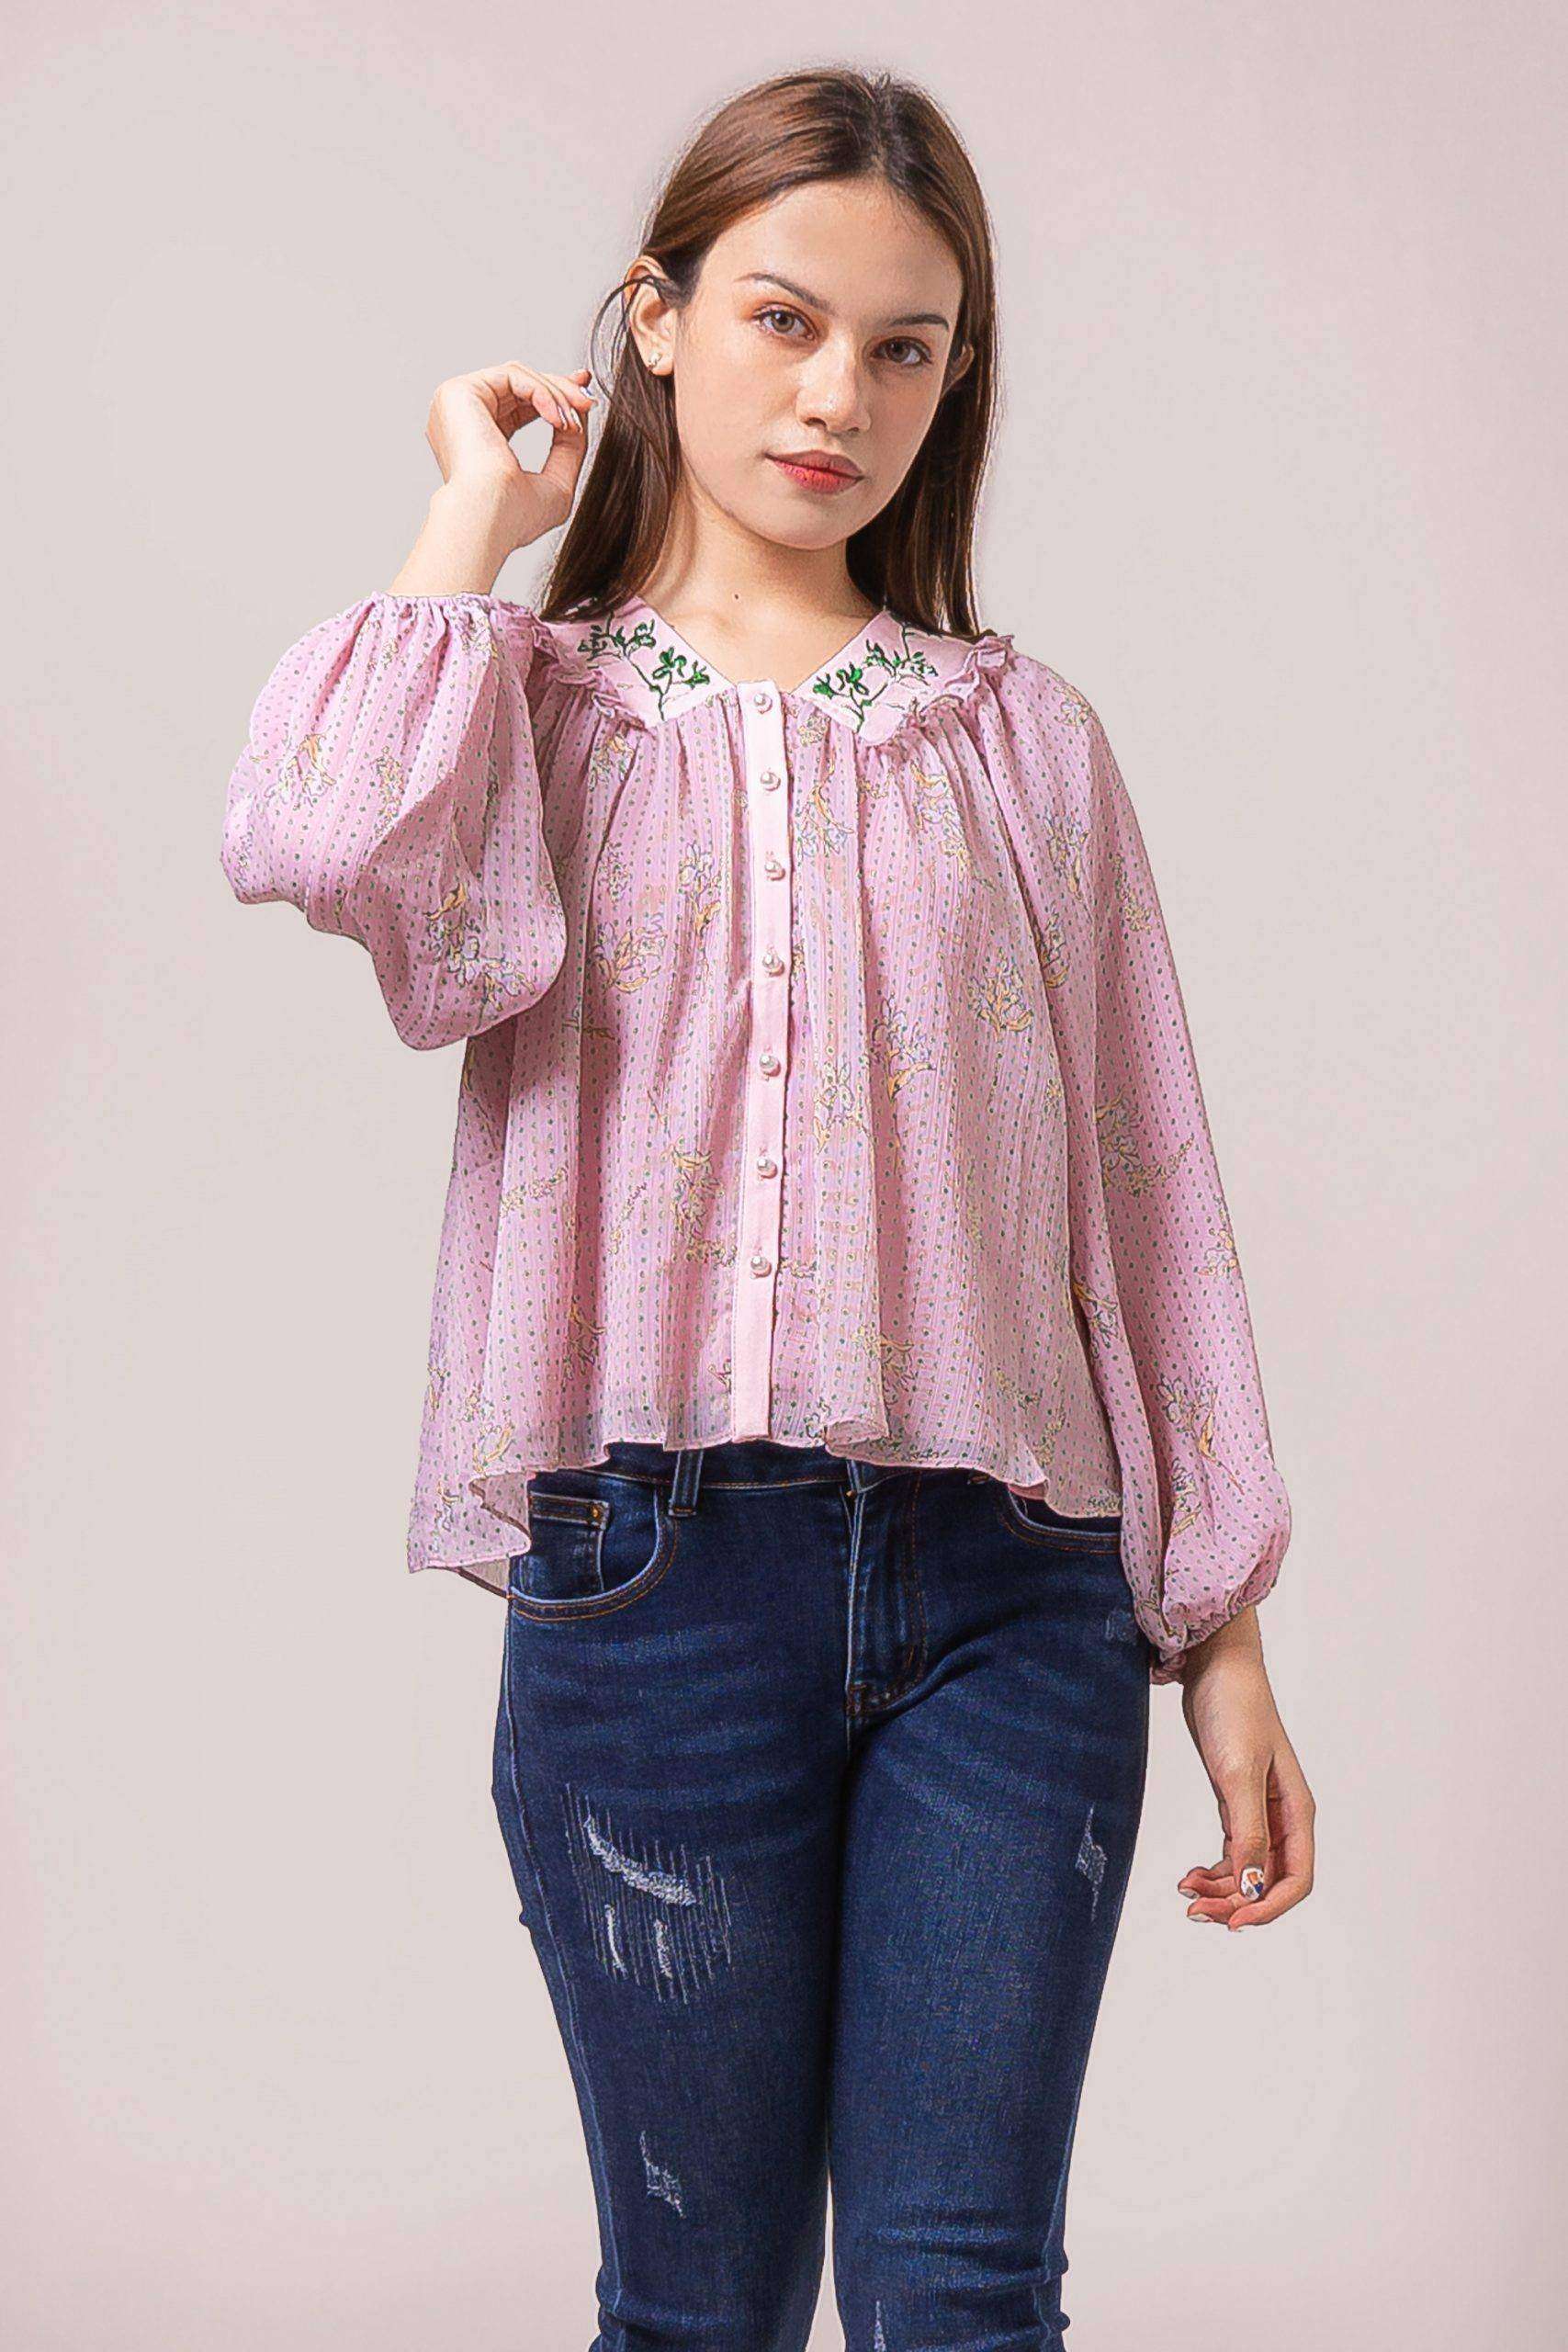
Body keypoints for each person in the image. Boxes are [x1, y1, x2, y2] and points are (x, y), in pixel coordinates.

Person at [220, 63, 1315, 2352]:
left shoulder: (1017, 741)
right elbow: (312, 829)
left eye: (905, 348)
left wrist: (1217, 1641)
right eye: (783, 320)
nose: (839, 397)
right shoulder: (524, 714)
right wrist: (473, 512)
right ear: (654, 316)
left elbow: (1146, 1193)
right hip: (651, 1590)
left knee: (961, 2297)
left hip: (1012, 1601)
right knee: (696, 2309)